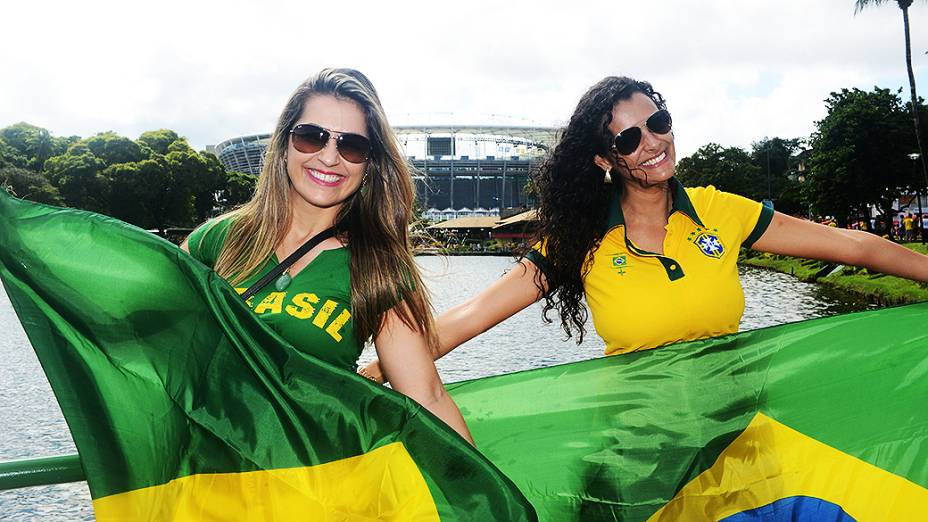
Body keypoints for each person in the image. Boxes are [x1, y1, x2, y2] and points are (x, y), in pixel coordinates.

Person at [361, 75, 928, 383]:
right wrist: (371, 374)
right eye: (628, 138)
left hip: (738, 433)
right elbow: (467, 318)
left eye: (657, 123)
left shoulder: (718, 210)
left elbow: (854, 245)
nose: (652, 142)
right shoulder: (581, 240)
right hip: (641, 445)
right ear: (606, 160)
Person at [182, 68, 473, 444]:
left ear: (370, 164)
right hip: (202, 481)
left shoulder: (376, 267)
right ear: (284, 143)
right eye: (311, 137)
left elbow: (425, 395)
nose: (330, 157)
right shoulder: (218, 240)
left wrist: (488, 497)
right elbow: (151, 338)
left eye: (351, 146)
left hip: (306, 484)